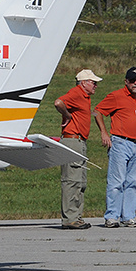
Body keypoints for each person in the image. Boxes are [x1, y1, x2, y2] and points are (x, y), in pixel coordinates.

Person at [54, 69, 101, 229]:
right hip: (72, 140)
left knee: (80, 181)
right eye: (93, 82)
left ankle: (76, 217)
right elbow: (58, 102)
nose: (96, 85)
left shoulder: (85, 96)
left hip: (79, 141)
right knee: (72, 180)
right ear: (84, 83)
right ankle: (69, 219)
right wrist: (67, 116)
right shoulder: (76, 93)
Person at [94, 67, 136, 227]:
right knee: (116, 181)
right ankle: (112, 216)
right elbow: (97, 111)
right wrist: (104, 133)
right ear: (126, 81)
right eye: (132, 80)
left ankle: (129, 216)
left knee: (133, 181)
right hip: (120, 142)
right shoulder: (117, 96)